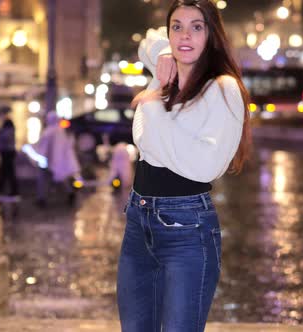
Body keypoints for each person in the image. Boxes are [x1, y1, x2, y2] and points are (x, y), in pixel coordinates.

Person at [117, 1, 251, 331]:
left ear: (212, 34)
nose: (185, 35)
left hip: (186, 228)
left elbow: (204, 167)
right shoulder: (169, 69)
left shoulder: (221, 87)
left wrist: (154, 104)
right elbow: (147, 39)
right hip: (139, 218)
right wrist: (164, 53)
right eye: (177, 26)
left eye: (197, 26)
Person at [35, 112, 81, 207]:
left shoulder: (49, 132)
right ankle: (69, 194)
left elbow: (43, 148)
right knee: (61, 179)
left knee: (45, 180)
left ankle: (42, 198)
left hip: (48, 161)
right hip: (57, 162)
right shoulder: (60, 131)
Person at [0, 117, 19, 199]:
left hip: (7, 154)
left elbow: (5, 138)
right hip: (8, 154)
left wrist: (0, 132)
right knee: (7, 173)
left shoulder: (8, 131)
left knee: (5, 173)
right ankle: (3, 191)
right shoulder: (10, 130)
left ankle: (0, 191)